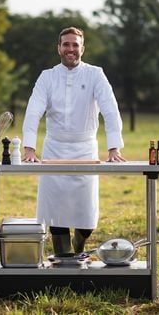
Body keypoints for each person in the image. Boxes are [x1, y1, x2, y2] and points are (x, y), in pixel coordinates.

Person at [22, 26, 126, 256]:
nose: (71, 49)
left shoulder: (95, 74)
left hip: (85, 150)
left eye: (75, 45)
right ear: (59, 48)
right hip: (54, 150)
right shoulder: (47, 77)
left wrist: (113, 148)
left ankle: (80, 242)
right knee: (56, 212)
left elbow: (110, 110)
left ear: (83, 48)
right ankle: (64, 260)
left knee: (85, 216)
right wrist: (29, 148)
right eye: (66, 44)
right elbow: (33, 112)